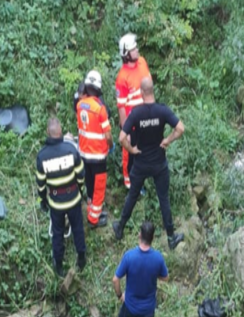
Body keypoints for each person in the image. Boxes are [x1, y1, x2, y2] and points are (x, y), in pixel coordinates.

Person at [112, 77, 185, 250]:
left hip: (141, 163)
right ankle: (171, 237)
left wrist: (131, 150)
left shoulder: (137, 113)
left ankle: (120, 228)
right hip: (159, 163)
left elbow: (122, 138)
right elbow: (180, 128)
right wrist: (168, 140)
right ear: (153, 91)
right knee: (163, 199)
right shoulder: (162, 110)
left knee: (132, 195)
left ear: (141, 92)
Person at [101, 221, 168, 317]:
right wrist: (154, 274)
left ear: (139, 235)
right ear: (153, 238)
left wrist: (120, 295)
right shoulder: (158, 258)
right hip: (148, 308)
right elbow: (165, 277)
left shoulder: (129, 256)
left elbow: (115, 279)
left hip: (130, 306)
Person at [36, 117, 86, 276]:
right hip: (73, 199)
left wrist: (43, 201)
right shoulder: (71, 150)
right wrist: (80, 191)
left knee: (57, 233)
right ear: (61, 131)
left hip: (56, 203)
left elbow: (41, 185)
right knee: (77, 228)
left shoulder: (42, 156)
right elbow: (80, 176)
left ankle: (58, 265)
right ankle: (81, 258)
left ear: (47, 132)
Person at [76, 70, 114, 228]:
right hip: (98, 156)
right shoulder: (100, 108)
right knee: (99, 188)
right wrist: (110, 146)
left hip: (84, 154)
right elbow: (108, 134)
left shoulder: (80, 105)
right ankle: (94, 219)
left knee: (90, 184)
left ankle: (91, 211)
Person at [115, 33, 151, 191]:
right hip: (133, 124)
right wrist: (126, 130)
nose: (137, 50)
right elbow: (121, 107)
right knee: (130, 154)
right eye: (133, 49)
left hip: (146, 118)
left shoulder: (142, 62)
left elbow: (149, 88)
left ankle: (143, 180)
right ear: (126, 54)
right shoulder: (122, 78)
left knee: (145, 151)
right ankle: (130, 184)